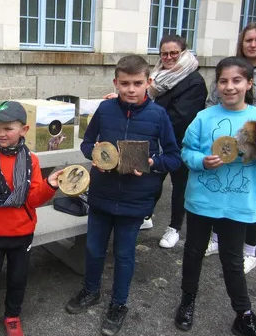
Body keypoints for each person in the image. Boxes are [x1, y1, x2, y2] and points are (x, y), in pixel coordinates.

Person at [65, 55, 181, 336]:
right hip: (102, 193)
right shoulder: (105, 110)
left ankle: (119, 304)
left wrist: (152, 162)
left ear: (148, 82)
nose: (131, 89)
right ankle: (91, 290)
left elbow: (174, 157)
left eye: (137, 83)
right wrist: (95, 155)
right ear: (115, 83)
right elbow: (87, 143)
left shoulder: (158, 115)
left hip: (135, 198)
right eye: (125, 83)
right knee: (94, 249)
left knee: (124, 254)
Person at [174, 56, 256, 336]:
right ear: (217, 85)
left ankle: (243, 314)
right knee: (193, 252)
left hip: (237, 203)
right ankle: (187, 300)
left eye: (237, 80)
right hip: (202, 200)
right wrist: (201, 161)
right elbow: (186, 151)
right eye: (223, 81)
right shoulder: (204, 117)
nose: (229, 86)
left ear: (249, 83)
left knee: (232, 260)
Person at [0, 101, 62, 336]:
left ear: (24, 130)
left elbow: (33, 199)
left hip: (21, 232)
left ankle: (12, 316)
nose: (1, 133)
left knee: (18, 279)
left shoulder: (31, 160)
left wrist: (49, 185)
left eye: (8, 128)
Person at [204, 23, 256, 273]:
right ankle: (217, 238)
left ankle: (249, 250)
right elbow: (211, 103)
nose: (252, 44)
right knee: (220, 189)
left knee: (250, 197)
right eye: (248, 40)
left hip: (254, 148)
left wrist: (240, 134)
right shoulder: (229, 69)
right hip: (223, 144)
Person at [147, 35, 207, 248]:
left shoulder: (194, 80)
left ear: (183, 53)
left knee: (180, 186)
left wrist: (149, 121)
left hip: (181, 142)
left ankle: (174, 228)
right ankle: (146, 215)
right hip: (156, 141)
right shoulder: (157, 77)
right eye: (164, 54)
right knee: (151, 181)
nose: (169, 57)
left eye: (174, 53)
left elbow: (182, 116)